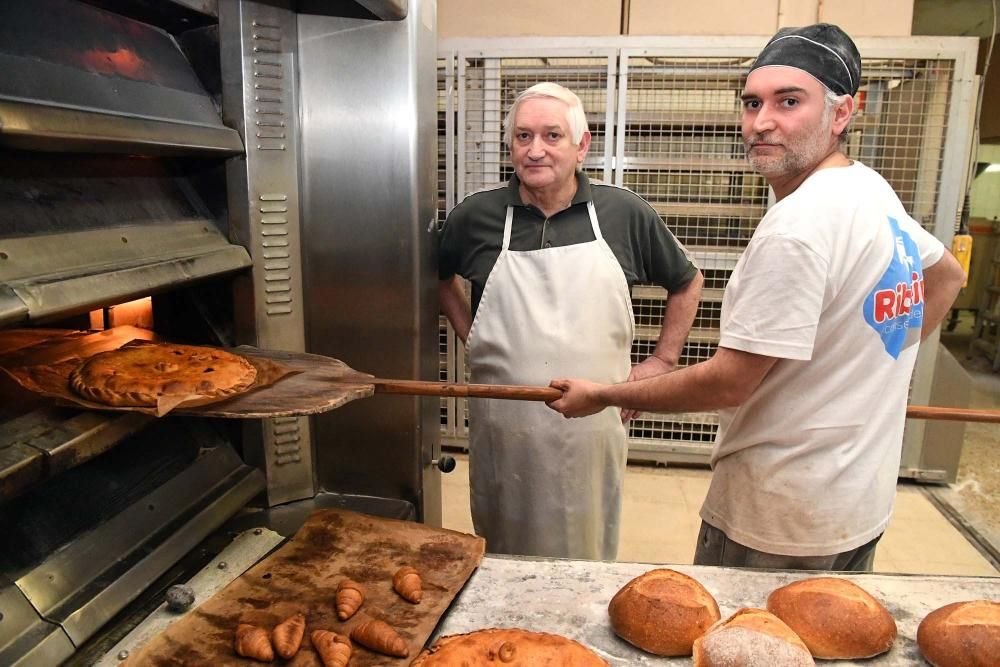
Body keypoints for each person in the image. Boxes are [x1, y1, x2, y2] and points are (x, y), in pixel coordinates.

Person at [547, 24, 966, 571]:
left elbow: (731, 380)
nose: (761, 122)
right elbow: (947, 278)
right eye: (752, 102)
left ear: (843, 113)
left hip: (779, 515)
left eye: (789, 101)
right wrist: (871, 364)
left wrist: (603, 394)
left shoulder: (797, 227)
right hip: (858, 500)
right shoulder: (868, 187)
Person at [438, 82, 703, 560]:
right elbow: (437, 278)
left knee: (586, 543)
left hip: (593, 423)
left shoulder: (623, 213)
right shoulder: (475, 216)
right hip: (505, 425)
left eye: (552, 136)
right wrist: (471, 336)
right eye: (522, 137)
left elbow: (687, 282)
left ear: (582, 146)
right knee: (505, 544)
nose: (535, 150)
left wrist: (663, 360)